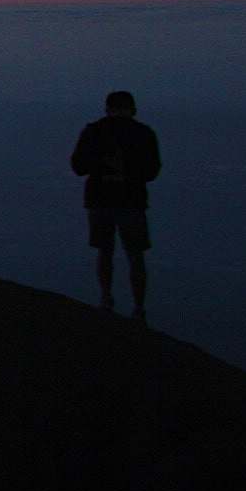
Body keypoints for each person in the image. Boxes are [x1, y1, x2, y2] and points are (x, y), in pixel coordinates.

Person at [71, 89, 163, 320]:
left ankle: (105, 299)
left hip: (99, 200)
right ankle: (139, 307)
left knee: (105, 252)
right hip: (131, 202)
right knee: (135, 255)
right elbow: (152, 171)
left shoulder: (94, 132)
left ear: (107, 108)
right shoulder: (143, 134)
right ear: (132, 109)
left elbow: (78, 167)